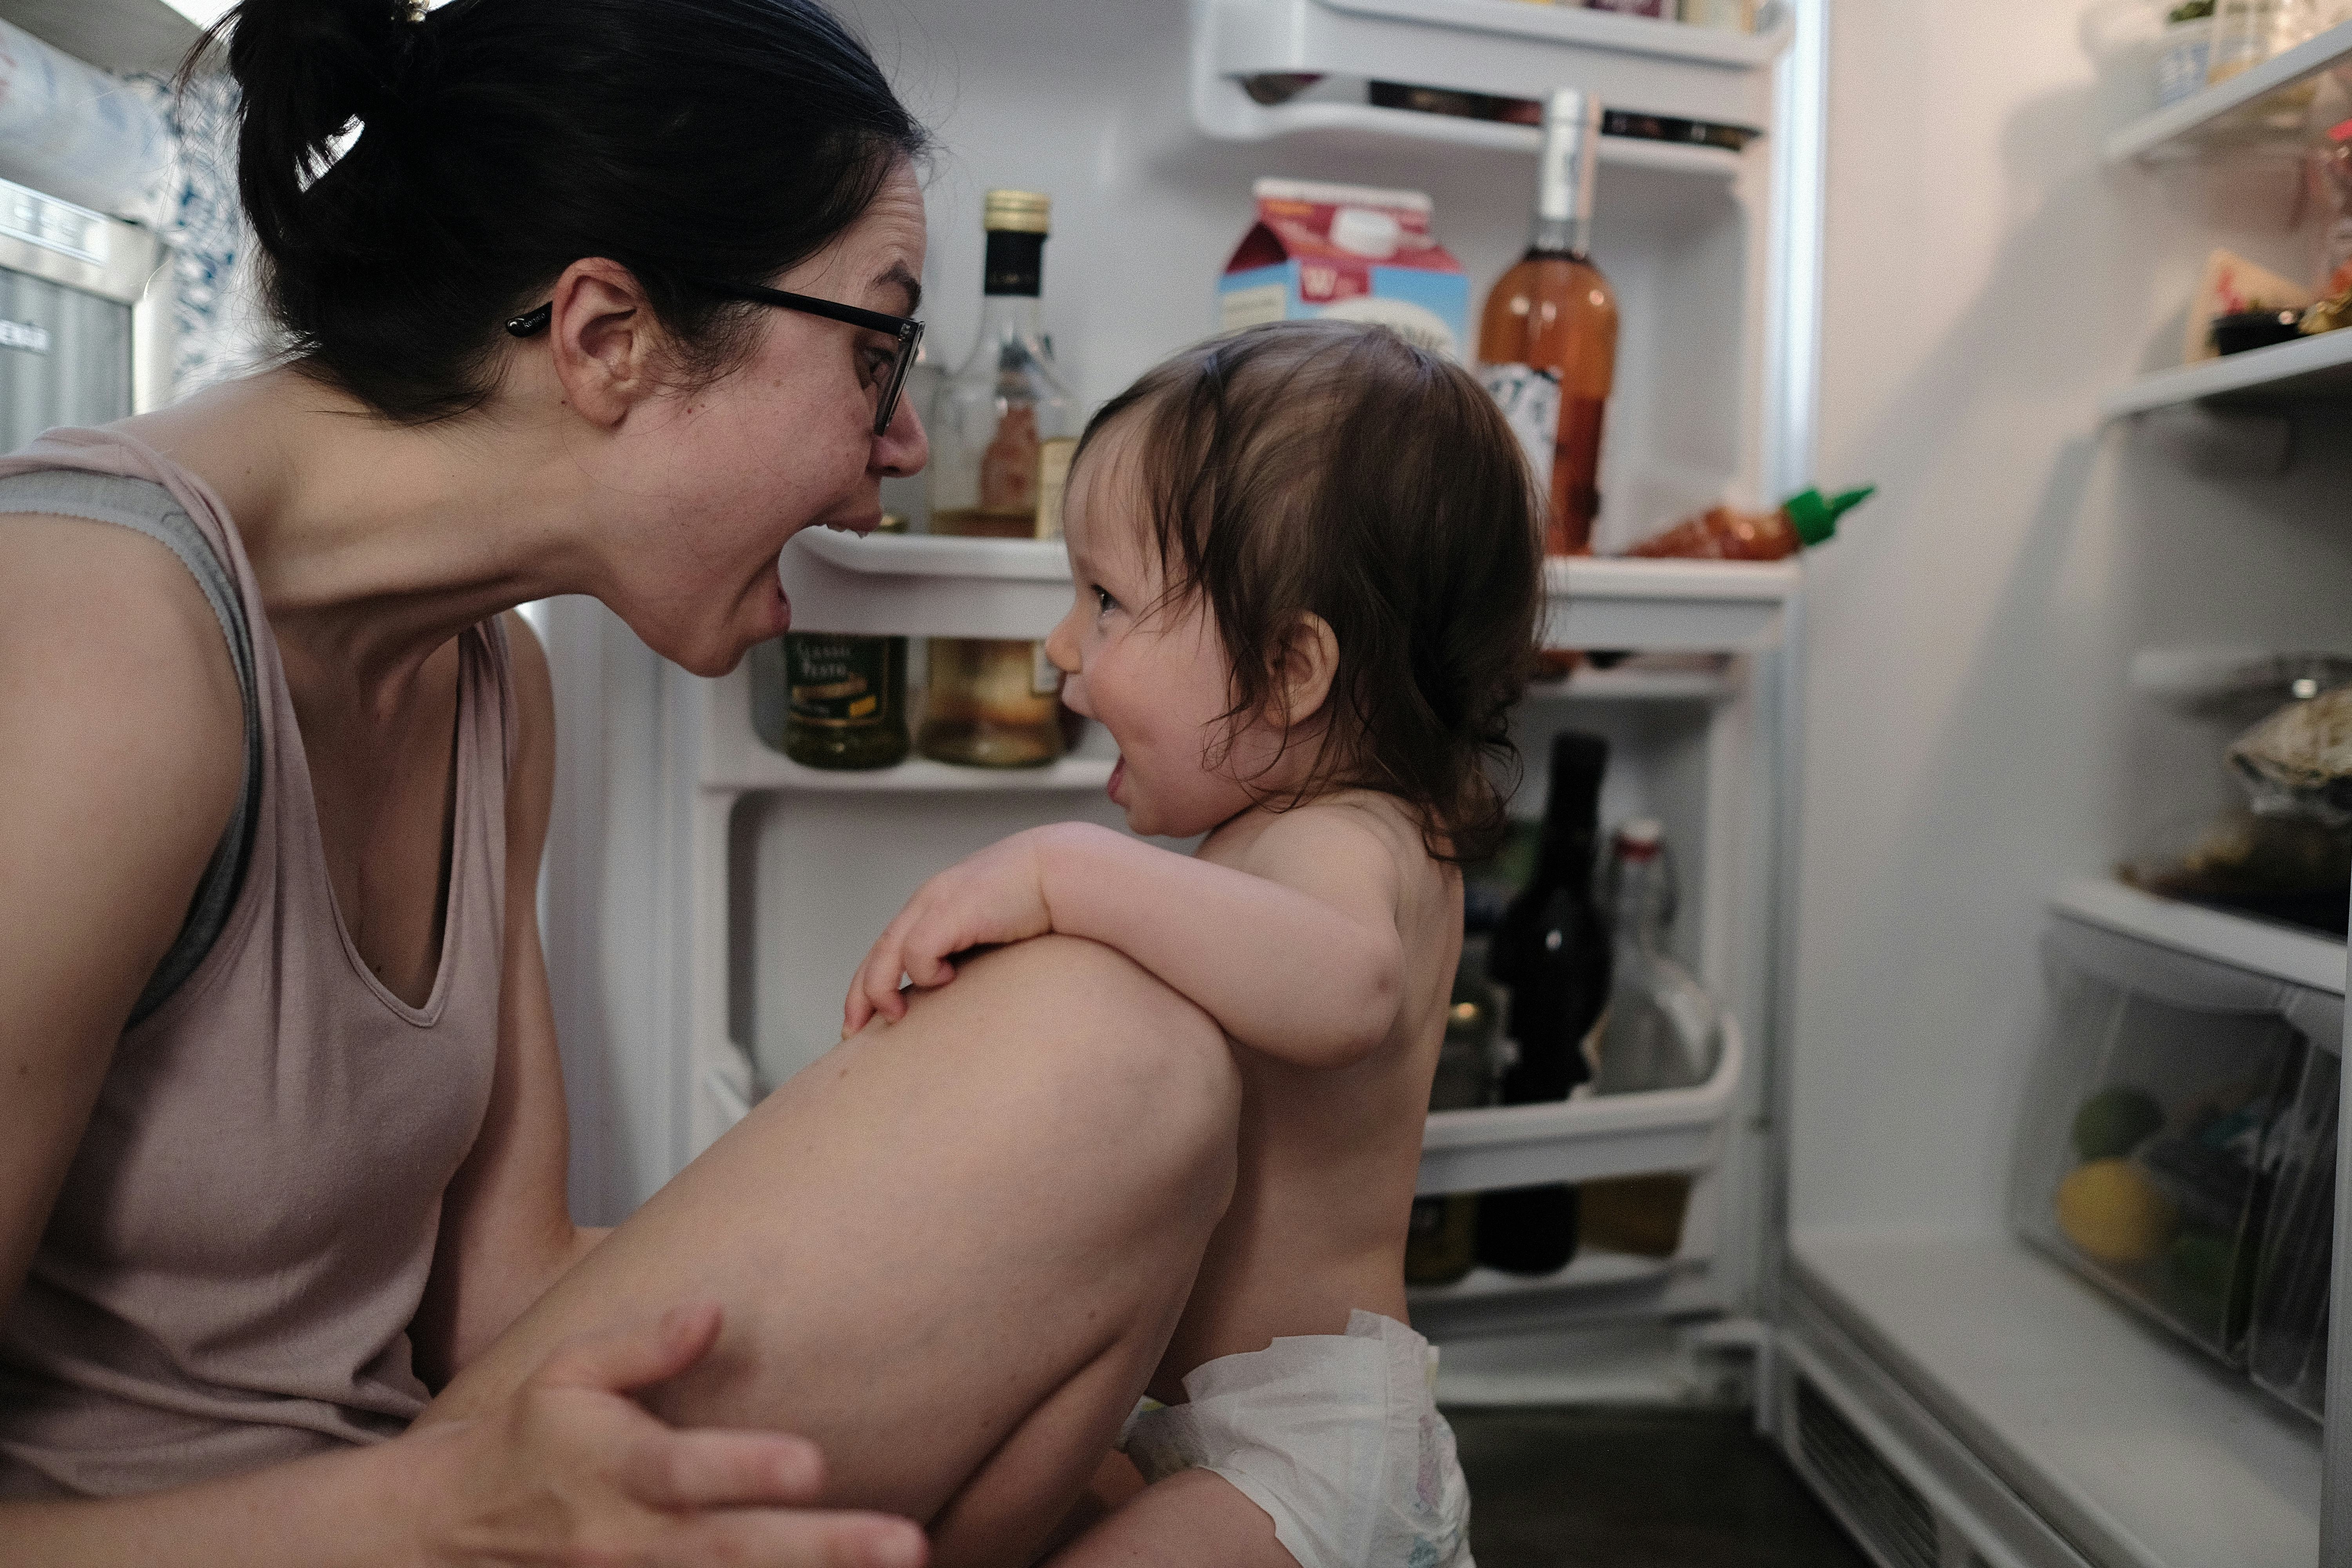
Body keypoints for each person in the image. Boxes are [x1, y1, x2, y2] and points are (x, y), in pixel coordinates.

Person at [0, 2, 1243, 1564]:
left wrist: (976, 1315)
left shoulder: (485, 682)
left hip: (400, 1496)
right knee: (1111, 1053)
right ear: (607, 337)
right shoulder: (91, 636)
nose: (908, 445)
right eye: (878, 351)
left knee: (1133, 1065)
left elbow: (502, 1305)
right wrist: (424, 1518)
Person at [844, 320, 1545, 1568]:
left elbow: (1348, 988)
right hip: (1218, 1429)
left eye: (1107, 602)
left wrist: (1065, 869)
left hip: (1311, 1460)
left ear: (1289, 670)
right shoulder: (1289, 828)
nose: (1065, 646)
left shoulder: (1351, 838)